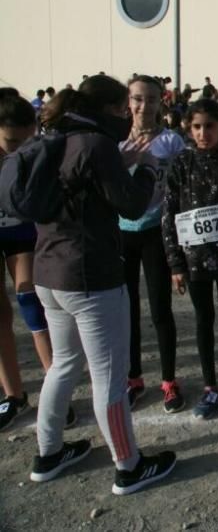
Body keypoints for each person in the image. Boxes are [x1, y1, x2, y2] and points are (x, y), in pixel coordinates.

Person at [29, 76, 176, 494]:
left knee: (63, 364)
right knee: (109, 377)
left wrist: (122, 160)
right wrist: (146, 169)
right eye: (122, 108)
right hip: (90, 275)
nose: (127, 115)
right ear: (111, 108)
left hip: (48, 272)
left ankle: (48, 451)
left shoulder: (56, 135)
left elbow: (81, 189)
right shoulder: (96, 143)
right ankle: (129, 466)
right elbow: (130, 202)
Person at [161, 99, 218, 419]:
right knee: (203, 320)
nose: (203, 133)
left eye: (209, 126)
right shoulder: (181, 164)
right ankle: (210, 387)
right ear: (188, 128)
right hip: (194, 258)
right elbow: (168, 215)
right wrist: (175, 264)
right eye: (196, 127)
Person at [0, 90, 75, 431]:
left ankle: (54, 388)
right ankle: (13, 395)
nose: (18, 148)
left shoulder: (40, 147)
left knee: (30, 299)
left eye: (25, 140)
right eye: (10, 141)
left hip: (24, 231)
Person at [120, 75, 187, 413]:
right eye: (137, 99)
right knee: (125, 309)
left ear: (161, 102)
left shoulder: (171, 141)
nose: (143, 106)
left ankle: (169, 380)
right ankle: (133, 378)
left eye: (150, 99)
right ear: (127, 102)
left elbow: (185, 184)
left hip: (156, 232)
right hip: (120, 232)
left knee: (161, 309)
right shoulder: (115, 142)